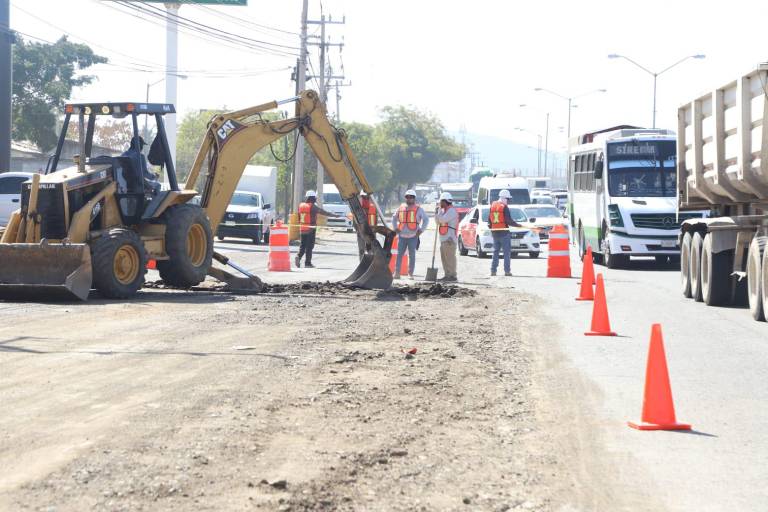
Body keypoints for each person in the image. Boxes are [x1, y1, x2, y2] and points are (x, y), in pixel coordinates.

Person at [295, 190, 340, 268]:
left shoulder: (301, 206)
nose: (316, 199)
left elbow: (298, 217)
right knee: (309, 246)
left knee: (303, 245)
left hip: (302, 228)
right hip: (311, 229)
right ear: (312, 198)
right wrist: (334, 215)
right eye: (315, 197)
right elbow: (323, 212)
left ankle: (298, 257)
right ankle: (307, 263)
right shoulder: (312, 206)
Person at [391, 189, 429, 280]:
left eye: (411, 197)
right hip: (402, 236)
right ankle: (397, 273)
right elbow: (394, 218)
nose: (409, 199)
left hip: (413, 236)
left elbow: (426, 220)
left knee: (412, 255)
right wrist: (395, 228)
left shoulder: (419, 209)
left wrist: (421, 230)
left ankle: (410, 274)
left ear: (414, 198)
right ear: (405, 198)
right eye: (407, 197)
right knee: (399, 254)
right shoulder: (401, 208)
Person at [489, 189, 522, 277]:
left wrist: (493, 229)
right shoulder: (504, 207)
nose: (509, 201)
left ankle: (493, 271)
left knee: (495, 252)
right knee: (506, 253)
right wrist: (518, 225)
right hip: (504, 233)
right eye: (508, 199)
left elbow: (489, 221)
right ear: (505, 198)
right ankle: (507, 271)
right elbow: (508, 221)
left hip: (495, 233)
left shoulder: (493, 205)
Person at [435, 191, 459, 282]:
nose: (440, 203)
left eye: (441, 201)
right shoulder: (444, 211)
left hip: (450, 239)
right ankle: (447, 275)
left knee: (450, 258)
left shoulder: (451, 211)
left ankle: (452, 275)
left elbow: (441, 220)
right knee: (444, 259)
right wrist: (437, 212)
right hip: (443, 239)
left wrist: (438, 213)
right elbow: (437, 222)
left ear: (445, 201)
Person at [356, 192, 378, 260]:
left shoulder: (373, 208)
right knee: (362, 251)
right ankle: (362, 265)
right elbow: (355, 222)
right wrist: (359, 231)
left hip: (371, 234)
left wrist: (373, 232)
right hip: (361, 233)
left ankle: (372, 265)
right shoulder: (357, 209)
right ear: (361, 197)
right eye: (363, 197)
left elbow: (376, 221)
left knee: (372, 251)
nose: (365, 199)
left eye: (367, 197)